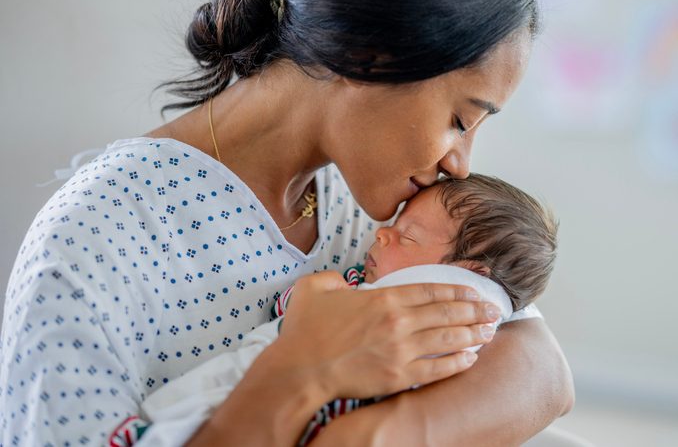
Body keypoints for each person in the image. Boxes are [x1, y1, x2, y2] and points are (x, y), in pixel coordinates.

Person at [0, 0, 574, 446]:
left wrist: (373, 436)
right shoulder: (95, 237)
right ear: (369, 57)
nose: (461, 165)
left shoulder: (382, 199)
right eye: (459, 119)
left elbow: (540, 367)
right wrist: (303, 372)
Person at [137, 174, 558, 446]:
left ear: (467, 276)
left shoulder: (475, 322)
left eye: (407, 237)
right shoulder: (362, 281)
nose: (382, 234)